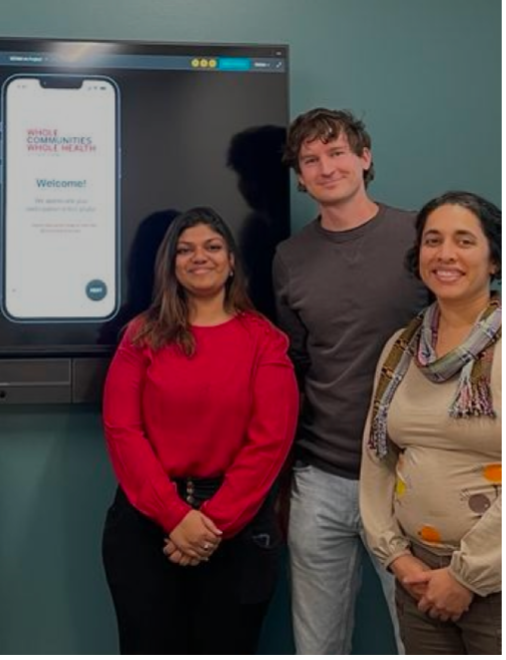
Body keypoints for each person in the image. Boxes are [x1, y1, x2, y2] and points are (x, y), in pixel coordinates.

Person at [102, 207, 298, 655]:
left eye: (212, 247)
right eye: (185, 250)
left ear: (231, 261)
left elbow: (271, 441)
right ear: (170, 264)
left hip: (238, 530)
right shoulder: (140, 335)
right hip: (146, 524)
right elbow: (122, 431)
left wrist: (211, 526)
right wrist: (175, 517)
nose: (199, 257)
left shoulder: (264, 340)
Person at [274, 107, 427, 654]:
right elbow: (295, 363)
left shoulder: (421, 236)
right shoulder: (289, 258)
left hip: (412, 475)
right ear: (300, 176)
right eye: (311, 159)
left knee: (422, 639)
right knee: (317, 646)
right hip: (322, 476)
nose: (325, 167)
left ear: (365, 158)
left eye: (337, 152)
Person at [361, 191, 502, 655]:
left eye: (464, 241)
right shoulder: (401, 349)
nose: (445, 255)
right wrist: (396, 557)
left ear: (494, 260)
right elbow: (377, 461)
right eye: (432, 240)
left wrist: (466, 575)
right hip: (417, 579)